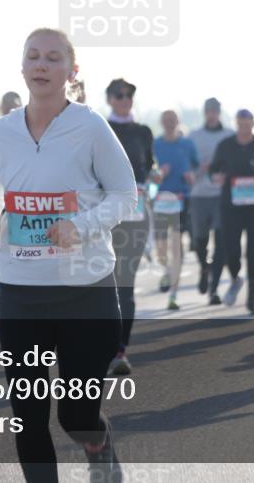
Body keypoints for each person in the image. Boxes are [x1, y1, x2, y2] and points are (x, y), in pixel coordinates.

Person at [0, 28, 134, 482]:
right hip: (22, 292)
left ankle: (98, 443)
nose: (41, 65)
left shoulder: (90, 126)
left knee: (76, 417)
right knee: (29, 416)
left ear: (71, 71)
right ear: (21, 67)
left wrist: (79, 227)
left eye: (53, 58)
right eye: (33, 57)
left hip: (86, 290)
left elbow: (125, 195)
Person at [104, 78, 156, 376]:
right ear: (110, 99)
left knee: (125, 283)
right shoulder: (100, 127)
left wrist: (150, 179)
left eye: (129, 96)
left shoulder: (143, 132)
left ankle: (120, 350)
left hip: (135, 214)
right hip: (104, 213)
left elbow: (147, 166)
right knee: (102, 282)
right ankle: (100, 345)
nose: (125, 100)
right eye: (120, 95)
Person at [209, 109, 254, 313]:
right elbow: (213, 169)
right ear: (236, 124)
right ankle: (236, 278)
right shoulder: (226, 145)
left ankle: (253, 290)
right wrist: (216, 177)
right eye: (240, 122)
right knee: (231, 251)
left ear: (253, 123)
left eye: (247, 122)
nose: (244, 126)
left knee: (252, 251)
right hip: (230, 206)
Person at [188, 98, 234, 303]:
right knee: (199, 240)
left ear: (219, 112)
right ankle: (204, 267)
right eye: (209, 111)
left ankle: (213, 289)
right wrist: (199, 170)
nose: (212, 114)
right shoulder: (194, 137)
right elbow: (186, 165)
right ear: (204, 112)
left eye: (215, 110)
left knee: (221, 240)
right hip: (198, 194)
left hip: (222, 195)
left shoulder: (230, 136)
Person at [153, 109, 199, 311]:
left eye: (173, 120)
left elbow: (197, 168)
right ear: (162, 123)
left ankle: (173, 294)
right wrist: (158, 173)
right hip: (161, 200)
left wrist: (192, 176)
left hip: (181, 199)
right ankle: (167, 270)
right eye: (166, 120)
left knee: (176, 245)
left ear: (178, 122)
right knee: (161, 249)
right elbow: (147, 171)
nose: (170, 123)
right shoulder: (155, 145)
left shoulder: (187, 144)